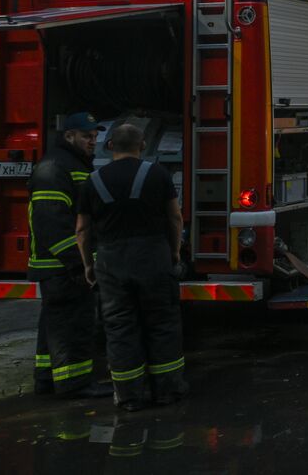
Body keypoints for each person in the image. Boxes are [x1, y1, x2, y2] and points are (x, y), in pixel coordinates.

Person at [77, 123, 187, 411]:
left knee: (120, 328)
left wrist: (89, 264)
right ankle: (167, 391)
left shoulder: (92, 181)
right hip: (153, 257)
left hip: (112, 262)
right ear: (142, 146)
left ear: (110, 145)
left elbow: (82, 229)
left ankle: (128, 396)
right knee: (161, 324)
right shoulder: (158, 174)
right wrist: (174, 251)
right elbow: (175, 218)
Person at [29, 111, 108, 398]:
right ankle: (75, 383)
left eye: (95, 136)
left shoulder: (70, 164)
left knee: (55, 324)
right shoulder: (54, 168)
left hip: (61, 266)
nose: (93, 141)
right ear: (69, 136)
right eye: (87, 136)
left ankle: (47, 379)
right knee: (73, 325)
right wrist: (79, 264)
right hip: (62, 266)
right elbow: (52, 222)